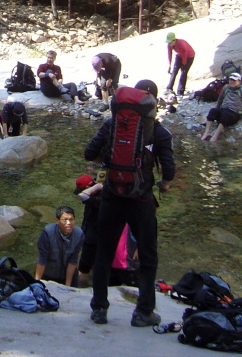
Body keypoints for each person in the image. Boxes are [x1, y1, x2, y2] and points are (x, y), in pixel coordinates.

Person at [84, 79, 175, 328]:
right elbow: (169, 169)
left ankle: (99, 309)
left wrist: (110, 162)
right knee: (147, 256)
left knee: (104, 251)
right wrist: (164, 183)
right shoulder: (159, 132)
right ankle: (143, 312)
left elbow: (89, 153)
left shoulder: (112, 124)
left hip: (112, 196)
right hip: (141, 200)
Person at [35, 206, 85, 287]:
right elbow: (42, 260)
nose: (69, 223)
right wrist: (36, 283)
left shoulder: (79, 234)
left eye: (71, 219)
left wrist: (67, 285)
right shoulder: (48, 233)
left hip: (69, 277)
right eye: (65, 220)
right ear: (57, 220)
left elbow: (73, 261)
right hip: (49, 276)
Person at [202, 72, 242, 142]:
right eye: (230, 80)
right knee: (213, 110)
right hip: (224, 109)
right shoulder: (226, 87)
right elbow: (220, 99)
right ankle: (207, 132)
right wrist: (217, 109)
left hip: (235, 113)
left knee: (225, 114)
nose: (232, 82)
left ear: (239, 81)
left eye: (234, 80)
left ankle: (215, 136)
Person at [165, 31, 196, 98]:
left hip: (189, 56)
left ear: (174, 40)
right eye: (168, 42)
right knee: (174, 71)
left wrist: (183, 64)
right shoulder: (169, 45)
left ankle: (180, 91)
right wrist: (169, 65)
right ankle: (169, 88)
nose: (169, 43)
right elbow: (169, 54)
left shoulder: (181, 43)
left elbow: (185, 53)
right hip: (179, 55)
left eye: (170, 42)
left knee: (183, 72)